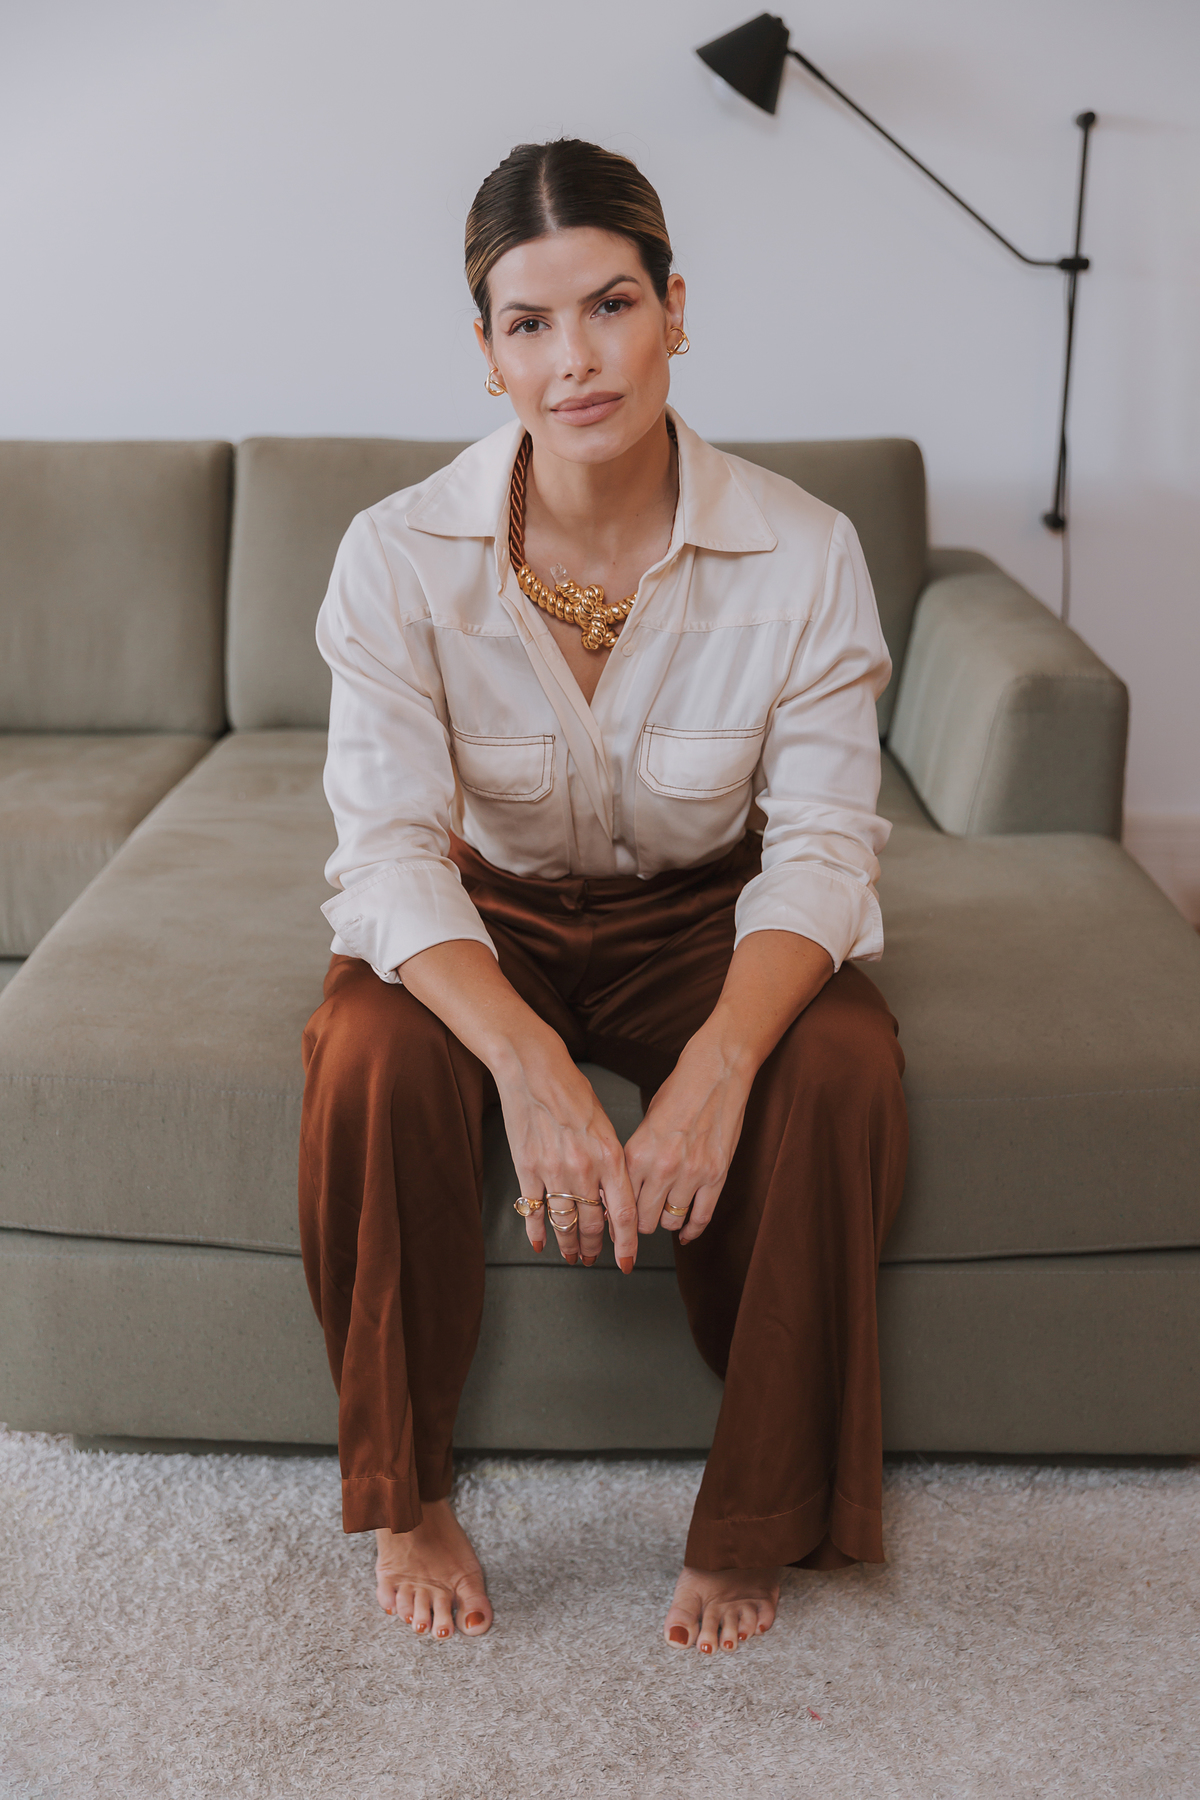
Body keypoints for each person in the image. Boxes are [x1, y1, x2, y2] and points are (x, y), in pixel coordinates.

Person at [299, 138, 908, 1654]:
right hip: (486, 912)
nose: (575, 359)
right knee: (367, 1051)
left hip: (702, 915)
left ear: (676, 312)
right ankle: (410, 1497)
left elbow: (824, 848)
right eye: (530, 322)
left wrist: (719, 1065)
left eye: (612, 305)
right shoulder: (394, 556)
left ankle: (757, 1515)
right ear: (488, 352)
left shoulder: (807, 552)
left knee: (840, 1058)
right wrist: (527, 1061)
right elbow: (387, 855)